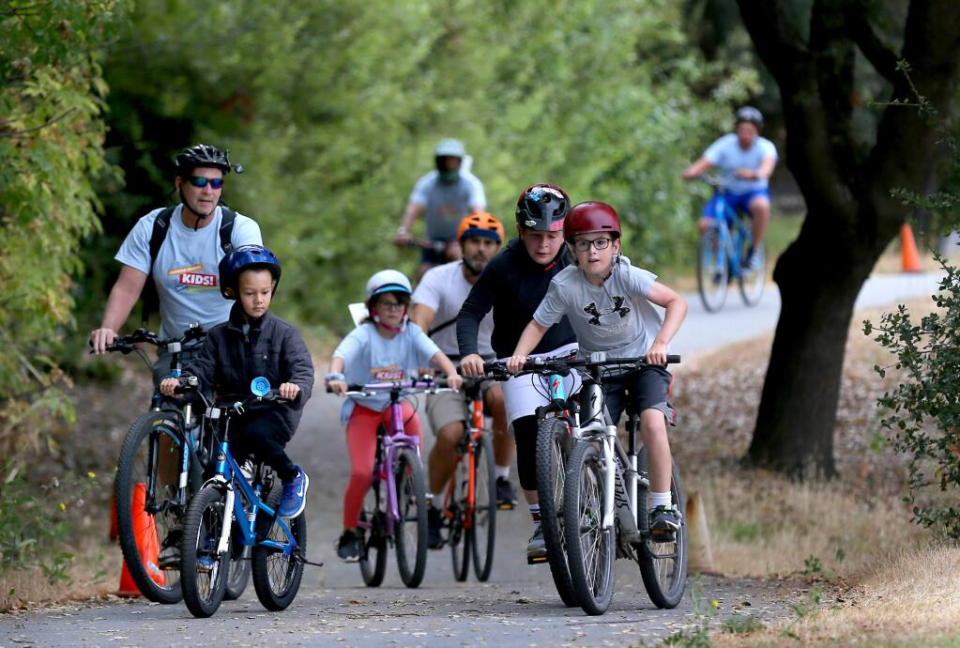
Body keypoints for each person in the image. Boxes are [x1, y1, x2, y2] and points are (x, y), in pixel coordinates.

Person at [506, 202, 688, 540]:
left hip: (643, 363)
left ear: (615, 245)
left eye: (601, 242)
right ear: (571, 249)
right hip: (599, 369)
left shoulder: (626, 275)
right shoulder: (565, 285)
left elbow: (677, 302)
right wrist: (519, 357)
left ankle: (663, 506)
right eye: (583, 244)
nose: (593, 251)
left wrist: (660, 343)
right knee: (588, 431)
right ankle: (594, 498)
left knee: (651, 421)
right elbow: (538, 324)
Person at [457, 184, 580, 561]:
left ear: (565, 233)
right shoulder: (503, 265)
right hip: (518, 360)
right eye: (535, 236)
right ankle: (542, 521)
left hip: (573, 353)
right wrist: (469, 355)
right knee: (528, 432)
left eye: (553, 236)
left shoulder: (578, 257)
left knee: (594, 414)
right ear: (521, 231)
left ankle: (599, 482)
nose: (544, 245)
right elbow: (470, 314)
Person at [159, 245, 314, 518]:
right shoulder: (218, 337)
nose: (259, 300)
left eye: (265, 292)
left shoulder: (285, 334)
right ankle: (208, 541)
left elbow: (302, 370)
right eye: (250, 293)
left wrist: (295, 387)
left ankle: (291, 476)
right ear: (231, 292)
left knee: (257, 435)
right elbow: (202, 370)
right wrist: (182, 383)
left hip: (274, 411)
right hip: (233, 414)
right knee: (213, 472)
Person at [90, 144, 263, 386]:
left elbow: (256, 282)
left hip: (229, 346)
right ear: (180, 183)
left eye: (216, 183)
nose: (208, 192)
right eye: (200, 182)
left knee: (242, 413)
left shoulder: (240, 229)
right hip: (175, 350)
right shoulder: (153, 227)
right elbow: (127, 288)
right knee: (166, 405)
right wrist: (108, 329)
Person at [327, 269, 463, 562]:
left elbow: (434, 353)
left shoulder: (412, 332)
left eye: (399, 303)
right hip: (365, 406)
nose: (393, 309)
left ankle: (410, 482)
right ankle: (351, 531)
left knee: (413, 431)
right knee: (362, 472)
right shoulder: (363, 334)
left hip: (397, 402)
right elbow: (342, 354)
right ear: (373, 307)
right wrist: (336, 375)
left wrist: (451, 373)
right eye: (386, 303)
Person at [410, 212, 517, 549]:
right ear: (461, 245)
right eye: (474, 242)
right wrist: (424, 361)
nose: (481, 250)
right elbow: (419, 322)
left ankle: (500, 478)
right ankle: (432, 503)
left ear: (497, 248)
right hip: (445, 368)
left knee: (503, 402)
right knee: (451, 433)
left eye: (488, 243)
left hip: (491, 366)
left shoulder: (509, 279)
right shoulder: (439, 278)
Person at [682, 106, 778, 269]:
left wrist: (754, 174)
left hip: (753, 192)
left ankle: (753, 250)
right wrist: (691, 172)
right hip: (727, 192)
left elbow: (766, 168)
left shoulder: (765, 147)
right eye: (742, 130)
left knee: (762, 206)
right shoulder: (726, 144)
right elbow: (705, 162)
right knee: (705, 225)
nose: (745, 135)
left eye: (750, 131)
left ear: (758, 132)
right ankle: (723, 260)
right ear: (736, 130)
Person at [393, 139, 487, 279]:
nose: (448, 165)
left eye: (452, 161)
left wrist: (471, 235)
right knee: (424, 275)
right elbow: (413, 209)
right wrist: (403, 231)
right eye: (444, 161)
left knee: (460, 265)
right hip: (432, 243)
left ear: (459, 162)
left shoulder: (470, 184)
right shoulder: (427, 183)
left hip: (459, 241)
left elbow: (478, 212)